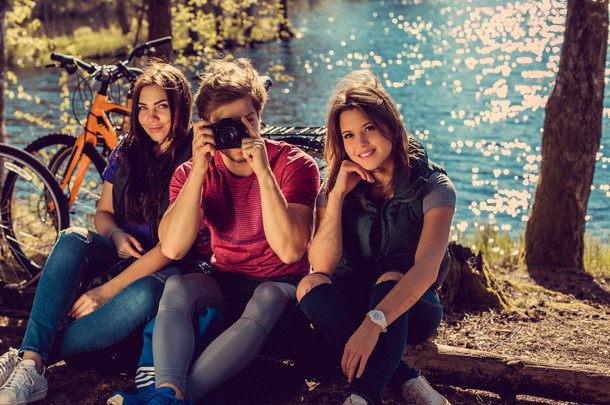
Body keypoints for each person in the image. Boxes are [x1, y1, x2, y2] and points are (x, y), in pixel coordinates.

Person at [107, 58, 320, 405]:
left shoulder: (294, 165)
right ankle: (170, 394)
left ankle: (170, 399)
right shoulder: (193, 171)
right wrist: (200, 170)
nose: (238, 132)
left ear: (259, 115)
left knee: (266, 296)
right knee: (177, 285)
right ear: (205, 127)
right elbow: (173, 247)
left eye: (247, 120)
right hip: (227, 280)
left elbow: (291, 251)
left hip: (283, 292)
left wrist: (263, 172)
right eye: (225, 125)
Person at [0, 62, 200, 405]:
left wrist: (105, 292)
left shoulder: (195, 153)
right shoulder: (127, 149)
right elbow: (102, 214)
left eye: (162, 107)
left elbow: (171, 248)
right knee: (72, 237)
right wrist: (117, 236)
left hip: (170, 267)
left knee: (146, 295)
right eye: (143, 108)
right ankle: (32, 364)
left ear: (180, 108)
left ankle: (28, 355)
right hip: (124, 254)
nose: (151, 118)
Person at [296, 70, 456, 405]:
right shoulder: (335, 186)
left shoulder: (433, 187)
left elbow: (426, 271)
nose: (361, 143)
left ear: (391, 125)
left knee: (390, 277)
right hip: (354, 307)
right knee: (308, 286)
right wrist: (337, 194)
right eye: (349, 135)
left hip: (411, 310)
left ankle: (361, 397)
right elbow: (321, 266)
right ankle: (407, 380)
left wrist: (374, 322)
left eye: (369, 128)